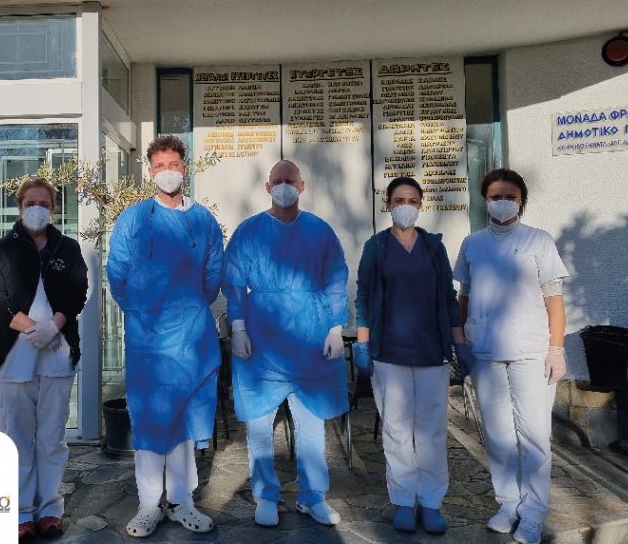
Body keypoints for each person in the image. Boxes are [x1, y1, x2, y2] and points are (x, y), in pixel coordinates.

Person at [107, 135, 224, 538]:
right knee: (150, 420)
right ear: (150, 171)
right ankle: (147, 505)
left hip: (191, 338)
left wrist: (187, 308)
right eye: (159, 166)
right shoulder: (134, 220)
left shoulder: (203, 221)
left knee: (184, 422)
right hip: (149, 341)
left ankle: (181, 501)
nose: (167, 172)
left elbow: (212, 275)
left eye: (173, 164)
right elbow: (118, 273)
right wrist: (144, 313)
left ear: (184, 167)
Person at [222, 160, 348, 528]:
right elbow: (234, 282)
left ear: (302, 185)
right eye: (277, 180)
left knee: (311, 425)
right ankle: (265, 495)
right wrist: (239, 327)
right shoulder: (250, 232)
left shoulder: (320, 231)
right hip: (262, 343)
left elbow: (335, 279)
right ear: (267, 187)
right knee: (260, 426)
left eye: (289, 180)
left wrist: (335, 327)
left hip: (310, 342)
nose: (283, 186)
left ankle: (313, 497)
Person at [352, 176, 475, 535]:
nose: (405, 206)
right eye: (399, 200)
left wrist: (459, 342)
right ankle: (404, 501)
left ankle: (432, 503)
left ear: (420, 205)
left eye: (412, 201)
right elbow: (363, 297)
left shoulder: (433, 246)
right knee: (397, 430)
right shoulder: (376, 246)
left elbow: (448, 297)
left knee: (432, 431)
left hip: (431, 352)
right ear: (388, 205)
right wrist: (363, 344)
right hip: (388, 353)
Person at [452, 168, 569, 544]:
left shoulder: (539, 240)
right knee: (498, 434)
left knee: (533, 436)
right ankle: (508, 504)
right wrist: (461, 341)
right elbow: (464, 297)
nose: (502, 202)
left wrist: (556, 349)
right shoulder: (472, 243)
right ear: (485, 200)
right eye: (495, 196)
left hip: (531, 353)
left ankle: (533, 514)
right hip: (485, 353)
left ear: (521, 201)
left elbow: (554, 301)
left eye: (510, 196)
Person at [0, 177, 89, 542]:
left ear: (53, 209)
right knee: (16, 438)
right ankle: (20, 512)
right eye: (30, 203)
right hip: (12, 358)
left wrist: (54, 327)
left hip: (57, 357)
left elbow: (78, 291)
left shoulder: (68, 248)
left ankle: (50, 511)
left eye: (44, 204)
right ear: (20, 207)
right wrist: (31, 328)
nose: (37, 209)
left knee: (52, 439)